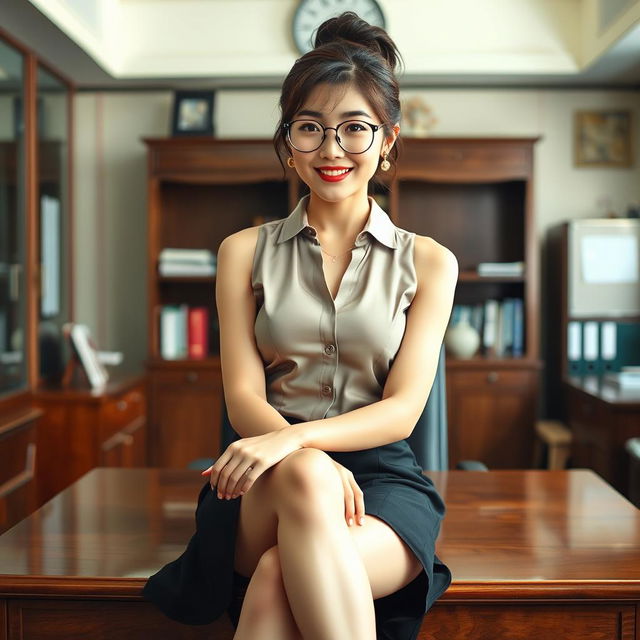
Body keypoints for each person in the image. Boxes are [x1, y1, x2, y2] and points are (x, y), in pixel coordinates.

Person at [143, 11, 457, 640]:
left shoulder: (429, 262)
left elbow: (401, 412)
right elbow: (243, 398)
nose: (331, 150)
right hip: (262, 483)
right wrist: (294, 452)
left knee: (278, 579)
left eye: (355, 129)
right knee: (308, 480)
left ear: (388, 139)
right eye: (310, 129)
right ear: (287, 141)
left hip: (386, 486)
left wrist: (296, 441)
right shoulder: (242, 251)